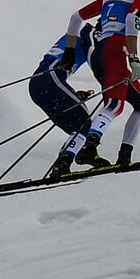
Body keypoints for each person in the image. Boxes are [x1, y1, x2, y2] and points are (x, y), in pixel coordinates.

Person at [60, 0, 140, 171]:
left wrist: (69, 51)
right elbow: (131, 20)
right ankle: (89, 147)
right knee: (114, 105)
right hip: (116, 50)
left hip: (98, 53)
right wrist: (134, 57)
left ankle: (123, 156)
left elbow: (76, 16)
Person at [31, 20, 107, 178]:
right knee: (84, 123)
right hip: (50, 77)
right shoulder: (89, 34)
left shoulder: (81, 35)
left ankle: (68, 161)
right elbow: (98, 61)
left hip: (40, 85)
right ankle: (69, 160)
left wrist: (74, 94)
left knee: (78, 127)